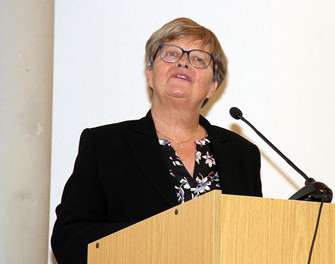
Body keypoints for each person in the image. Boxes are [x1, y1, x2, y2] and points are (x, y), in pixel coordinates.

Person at [51, 17, 262, 263]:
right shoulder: (104, 145)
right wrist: (153, 237)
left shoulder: (242, 153)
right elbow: (69, 239)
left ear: (212, 87)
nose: (183, 62)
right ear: (150, 75)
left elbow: (252, 238)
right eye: (171, 54)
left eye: (198, 59)